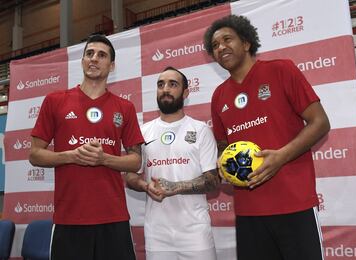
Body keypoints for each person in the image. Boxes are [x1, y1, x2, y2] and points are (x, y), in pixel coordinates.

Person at [203, 15, 330, 260]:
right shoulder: (219, 96)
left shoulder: (281, 70)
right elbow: (223, 144)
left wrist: (281, 157)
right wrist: (222, 163)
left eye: (227, 39)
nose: (220, 48)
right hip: (249, 212)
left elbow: (320, 122)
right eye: (215, 45)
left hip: (294, 204)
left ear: (247, 43)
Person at [29, 34, 144, 260]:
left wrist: (104, 160)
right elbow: (34, 154)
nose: (94, 59)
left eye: (102, 55)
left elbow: (136, 160)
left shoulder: (125, 107)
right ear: (82, 61)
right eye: (89, 54)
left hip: (114, 217)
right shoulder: (55, 100)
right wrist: (71, 156)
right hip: (69, 218)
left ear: (111, 66)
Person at [126, 67, 220, 260]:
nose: (165, 89)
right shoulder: (143, 132)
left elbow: (213, 180)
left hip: (195, 233)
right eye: (161, 85)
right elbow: (130, 175)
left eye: (173, 84)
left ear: (185, 92)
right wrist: (145, 185)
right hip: (157, 235)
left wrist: (175, 187)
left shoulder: (200, 130)